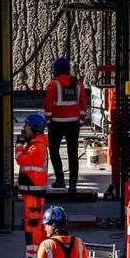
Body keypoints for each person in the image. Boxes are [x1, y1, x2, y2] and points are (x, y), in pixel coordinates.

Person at [43, 57, 87, 193]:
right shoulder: (78, 84)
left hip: (56, 124)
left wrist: (48, 121)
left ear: (56, 70)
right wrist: (80, 120)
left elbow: (48, 106)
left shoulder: (53, 85)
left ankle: (60, 179)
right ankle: (73, 184)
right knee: (73, 153)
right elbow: (83, 104)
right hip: (73, 124)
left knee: (54, 151)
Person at [14, 114, 50, 258]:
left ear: (34, 129)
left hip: (34, 196)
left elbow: (20, 159)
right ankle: (41, 256)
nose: (24, 129)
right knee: (35, 226)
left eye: (26, 127)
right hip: (31, 194)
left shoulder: (37, 147)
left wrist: (19, 144)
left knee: (33, 228)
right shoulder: (34, 145)